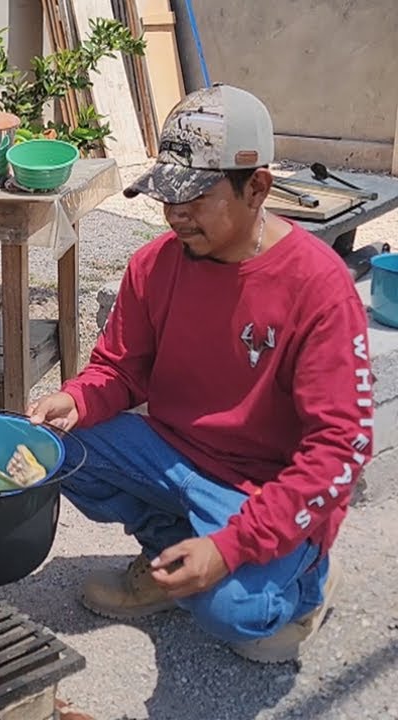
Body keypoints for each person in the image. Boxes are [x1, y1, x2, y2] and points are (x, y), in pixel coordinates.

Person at [27, 84, 373, 663]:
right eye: (168, 197)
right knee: (60, 447)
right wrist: (78, 401)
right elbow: (120, 368)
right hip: (176, 454)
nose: (175, 216)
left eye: (195, 198)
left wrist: (235, 544)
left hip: (263, 486)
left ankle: (308, 576)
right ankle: (174, 560)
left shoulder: (319, 288)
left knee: (239, 619)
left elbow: (340, 449)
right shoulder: (153, 264)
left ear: (257, 187)